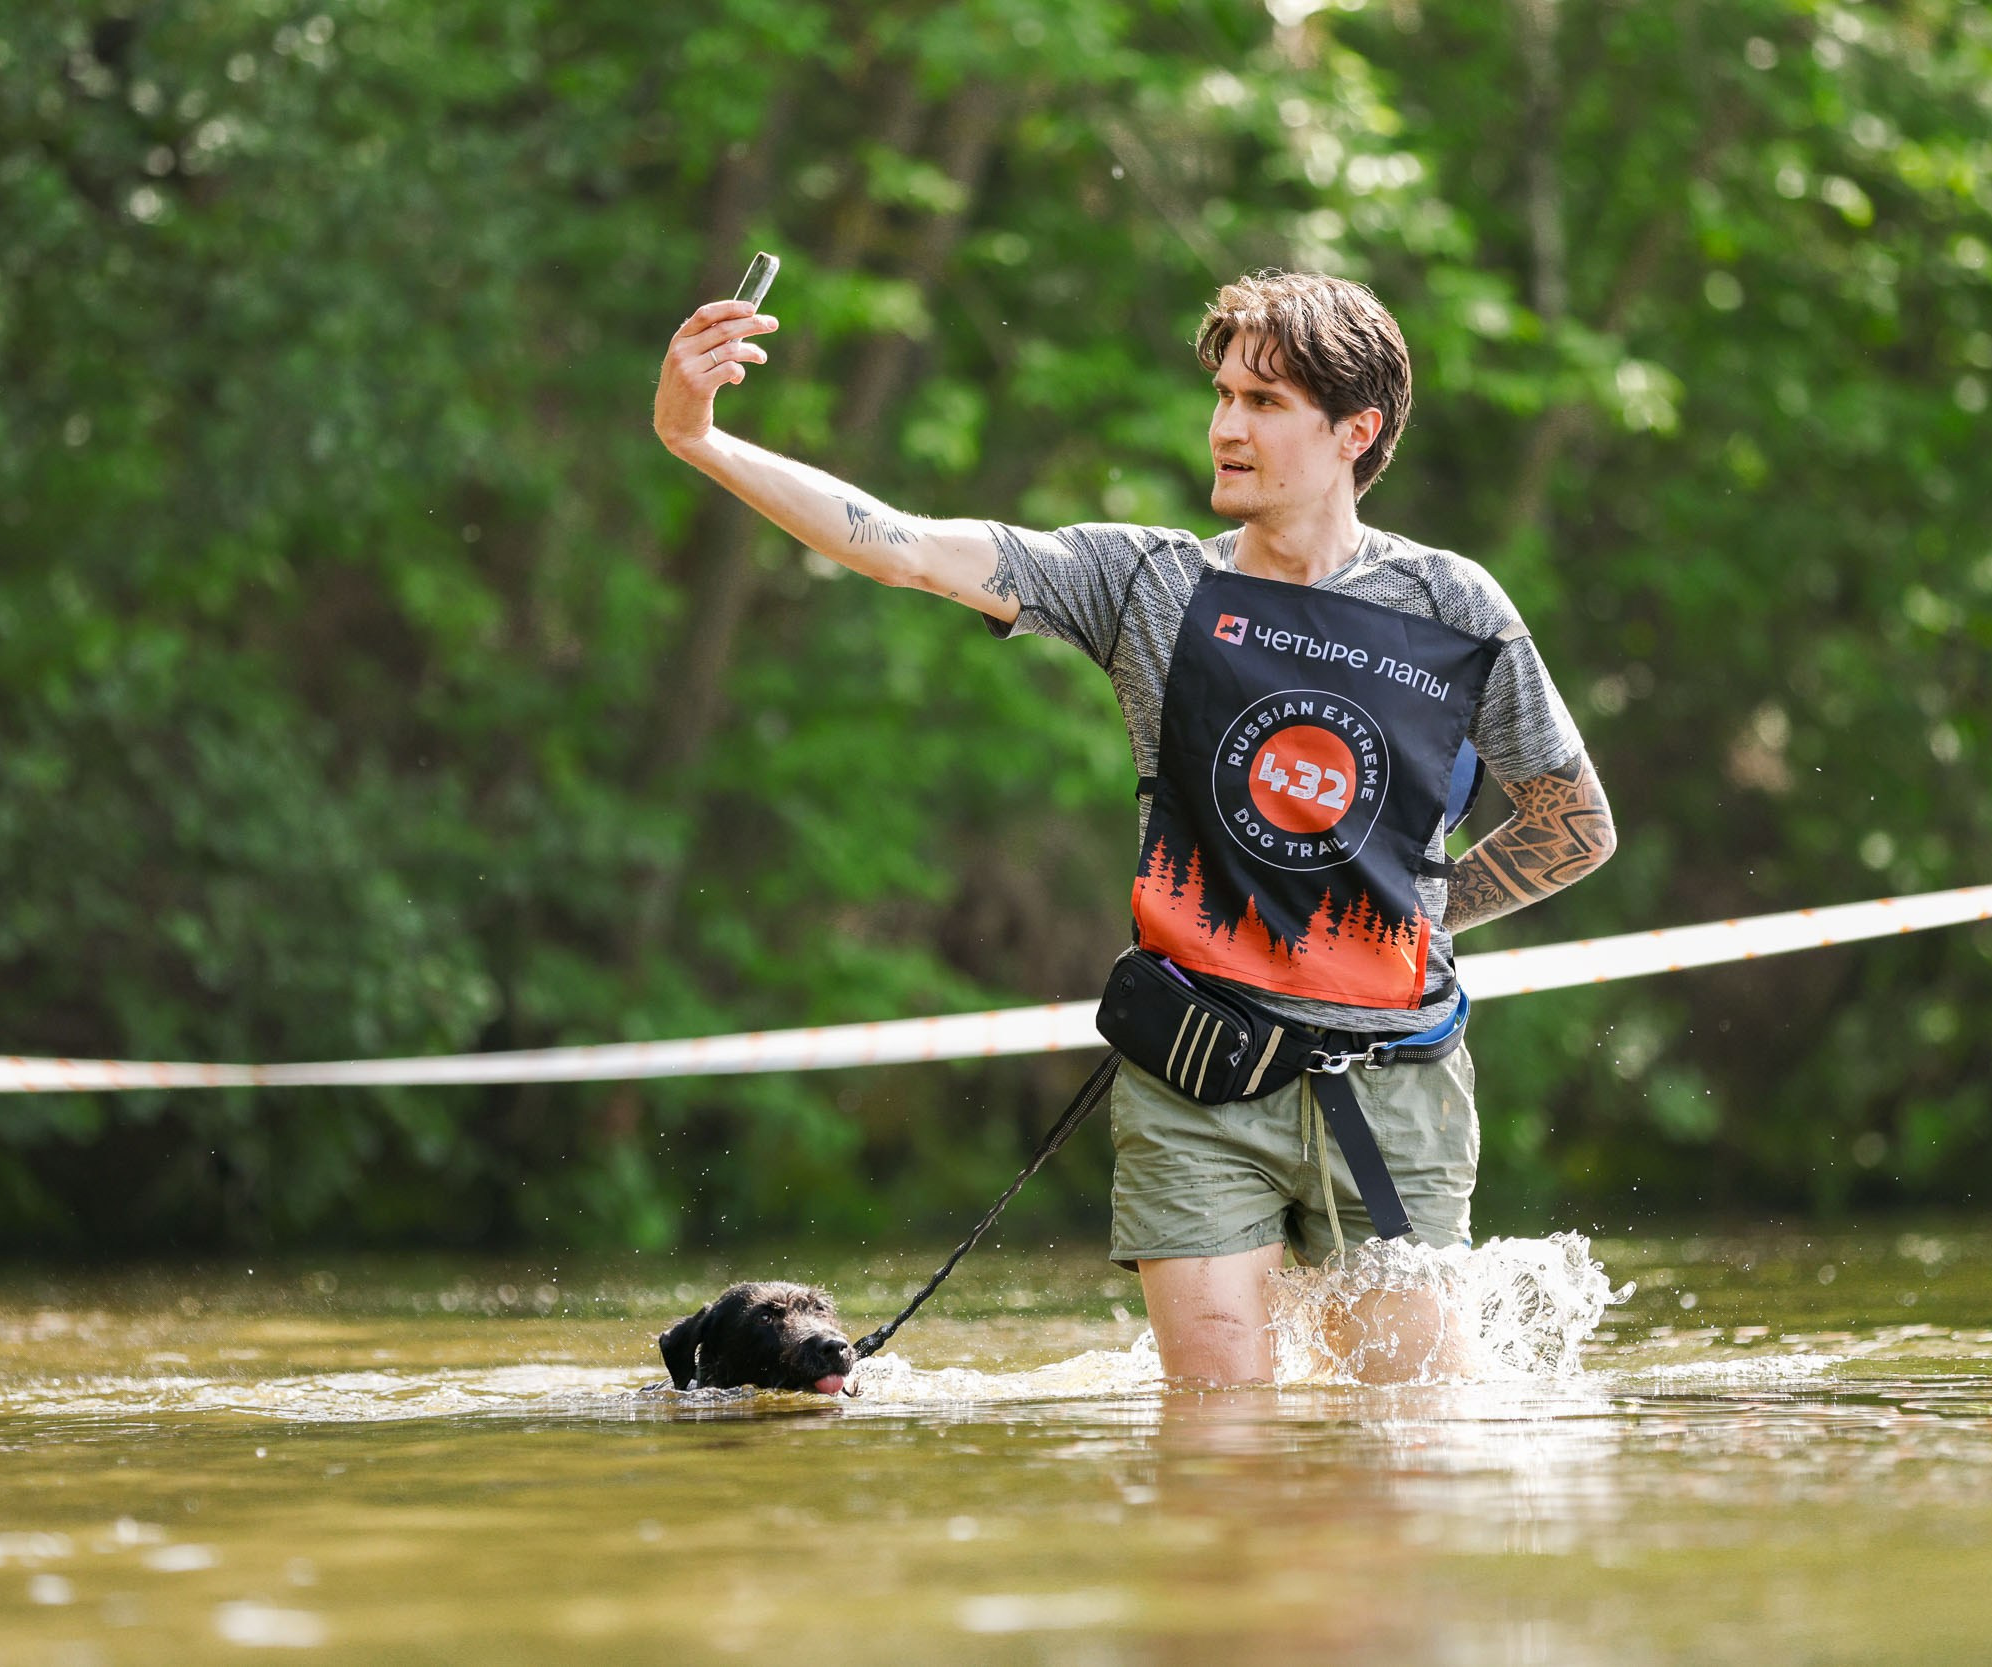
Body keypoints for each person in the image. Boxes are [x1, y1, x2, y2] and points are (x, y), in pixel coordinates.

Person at [655, 269, 1614, 1385]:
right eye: (1223, 395)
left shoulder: (1454, 606)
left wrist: (1419, 916)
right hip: (1196, 1082)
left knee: (1409, 1449)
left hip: (1392, 1089)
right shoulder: (1149, 584)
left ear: (1355, 432)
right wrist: (699, 440)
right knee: (1217, 1447)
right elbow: (906, 546)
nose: (1225, 426)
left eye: (1264, 402)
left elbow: (1573, 824)